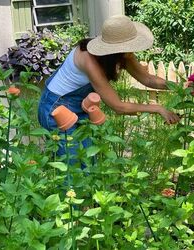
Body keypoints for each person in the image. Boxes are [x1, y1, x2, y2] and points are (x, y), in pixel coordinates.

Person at [38, 15, 180, 160]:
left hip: (80, 107)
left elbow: (148, 79)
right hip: (56, 108)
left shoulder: (123, 55)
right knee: (72, 168)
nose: (133, 50)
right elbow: (118, 106)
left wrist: (178, 86)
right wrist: (158, 108)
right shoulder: (89, 60)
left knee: (88, 163)